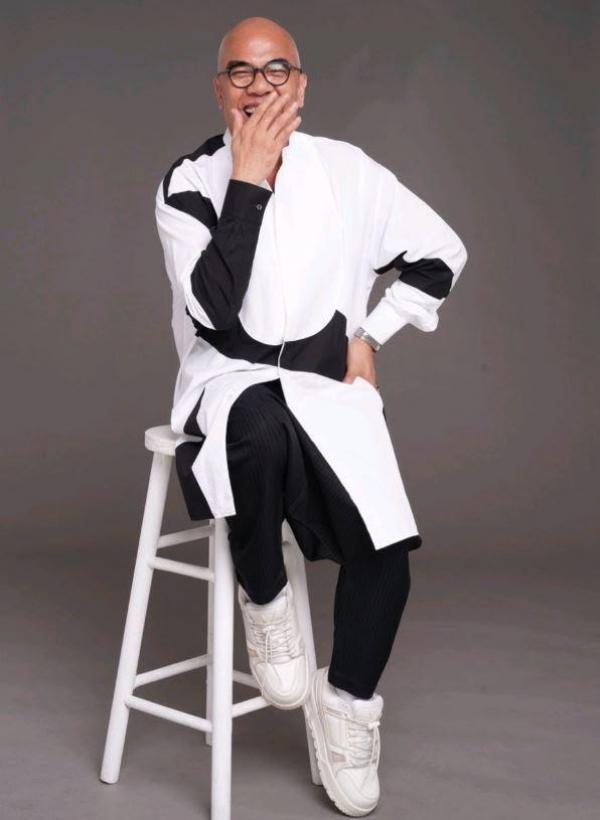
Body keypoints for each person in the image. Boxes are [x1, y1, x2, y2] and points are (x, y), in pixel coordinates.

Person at [154, 16, 468, 817]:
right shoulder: (189, 183)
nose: (259, 87)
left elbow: (441, 254)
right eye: (241, 72)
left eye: (276, 71)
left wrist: (373, 333)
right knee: (256, 430)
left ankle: (349, 707)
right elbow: (214, 311)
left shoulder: (347, 170)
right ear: (219, 88)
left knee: (385, 547)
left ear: (301, 84)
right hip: (229, 381)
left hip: (326, 388)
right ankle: (265, 598)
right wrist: (249, 179)